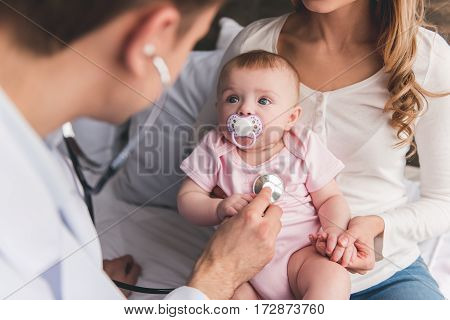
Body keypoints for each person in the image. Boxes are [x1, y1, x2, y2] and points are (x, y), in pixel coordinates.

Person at [0, 0, 283, 300]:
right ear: (150, 40)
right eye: (191, 42)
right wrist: (218, 275)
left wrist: (90, 290)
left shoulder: (42, 148)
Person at [195, 0, 449, 299]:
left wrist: (375, 228)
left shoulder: (427, 58)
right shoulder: (255, 45)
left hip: (382, 276)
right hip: (253, 274)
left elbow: (444, 201)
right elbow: (206, 160)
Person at [178, 50, 353, 300]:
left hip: (301, 255)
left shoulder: (302, 145)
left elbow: (329, 199)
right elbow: (188, 198)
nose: (245, 110)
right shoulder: (215, 147)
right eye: (233, 98)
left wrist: (334, 229)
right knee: (230, 297)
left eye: (263, 101)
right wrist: (217, 207)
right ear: (218, 110)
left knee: (333, 277)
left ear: (291, 117)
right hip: (239, 265)